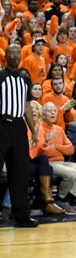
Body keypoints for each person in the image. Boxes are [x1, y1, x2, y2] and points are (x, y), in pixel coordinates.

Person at [0, 43, 37, 227]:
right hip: (1, 124)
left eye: (17, 52)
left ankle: (22, 216)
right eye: (11, 53)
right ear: (5, 56)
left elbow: (27, 105)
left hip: (18, 126)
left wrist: (34, 129)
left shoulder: (24, 78)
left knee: (20, 173)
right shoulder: (0, 76)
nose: (14, 55)